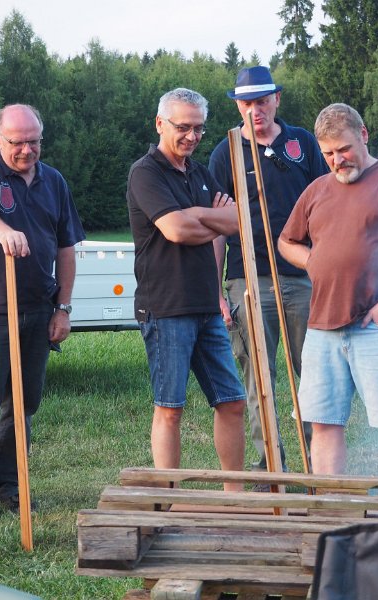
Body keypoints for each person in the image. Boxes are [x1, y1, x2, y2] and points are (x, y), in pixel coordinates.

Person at [278, 103, 378, 481]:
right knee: (323, 424)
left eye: (344, 149)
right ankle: (333, 511)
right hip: (321, 330)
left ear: (363, 135)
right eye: (329, 154)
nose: (337, 160)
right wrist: (310, 260)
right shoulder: (317, 190)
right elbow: (286, 241)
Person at [0, 104, 86, 524]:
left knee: (23, 403)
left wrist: (62, 308)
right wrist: (3, 230)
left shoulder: (54, 181)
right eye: (18, 142)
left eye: (34, 141)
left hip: (37, 308)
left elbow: (66, 247)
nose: (27, 150)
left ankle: (10, 487)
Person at [209, 66, 328, 476]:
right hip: (248, 278)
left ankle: (319, 461)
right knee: (259, 377)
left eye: (262, 101)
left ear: (277, 99)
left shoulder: (302, 143)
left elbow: (327, 206)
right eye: (247, 103)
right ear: (238, 105)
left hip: (302, 276)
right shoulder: (226, 152)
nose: (255, 110)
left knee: (312, 373)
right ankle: (269, 465)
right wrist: (217, 290)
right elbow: (217, 227)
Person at [127, 88, 246, 491]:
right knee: (170, 409)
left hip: (207, 307)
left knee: (232, 402)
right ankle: (169, 497)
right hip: (165, 308)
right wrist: (207, 217)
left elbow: (236, 221)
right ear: (160, 124)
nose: (192, 137)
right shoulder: (145, 172)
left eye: (198, 129)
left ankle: (234, 494)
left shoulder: (198, 172)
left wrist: (199, 215)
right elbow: (176, 229)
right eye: (183, 128)